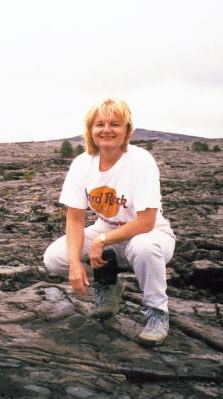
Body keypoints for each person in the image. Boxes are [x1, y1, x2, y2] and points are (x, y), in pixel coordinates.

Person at [43, 98, 175, 344]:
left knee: (143, 247)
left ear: (127, 130)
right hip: (106, 231)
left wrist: (103, 240)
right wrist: (74, 263)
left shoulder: (141, 161)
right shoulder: (82, 164)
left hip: (150, 234)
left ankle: (157, 312)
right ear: (90, 130)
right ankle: (108, 284)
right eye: (99, 124)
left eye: (115, 124)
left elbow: (146, 222)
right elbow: (74, 218)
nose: (106, 130)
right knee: (55, 258)